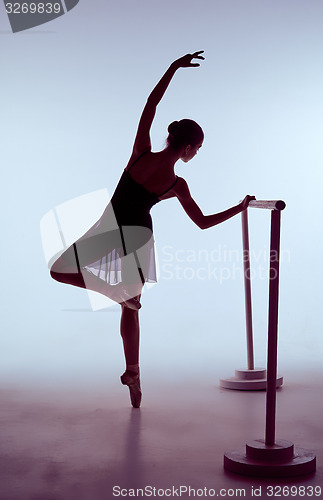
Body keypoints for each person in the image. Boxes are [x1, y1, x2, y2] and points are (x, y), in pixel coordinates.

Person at [50, 51, 255, 408]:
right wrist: (239, 208)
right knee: (127, 303)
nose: (197, 154)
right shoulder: (177, 184)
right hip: (138, 239)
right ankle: (129, 351)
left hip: (110, 230)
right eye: (198, 149)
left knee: (65, 273)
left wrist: (174, 67)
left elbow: (151, 102)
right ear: (188, 147)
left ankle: (134, 373)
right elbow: (203, 223)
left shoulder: (140, 153)